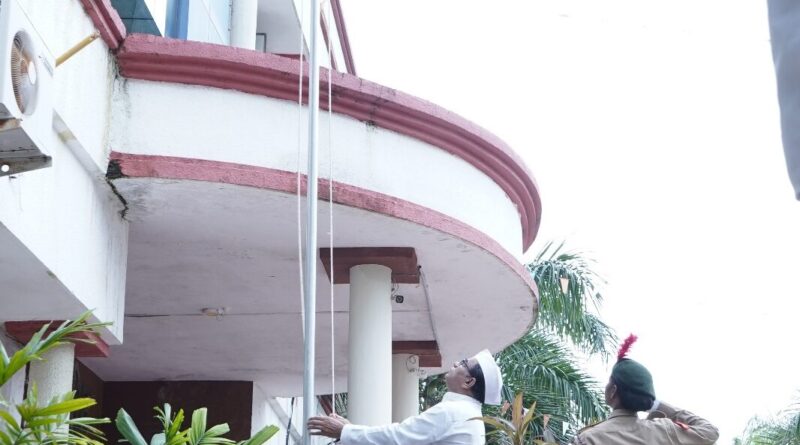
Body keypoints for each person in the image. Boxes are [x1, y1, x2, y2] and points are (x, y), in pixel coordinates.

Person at [307, 349, 503, 444]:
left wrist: (346, 431)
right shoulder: (466, 414)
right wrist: (350, 430)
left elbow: (398, 437)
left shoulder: (454, 412)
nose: (454, 363)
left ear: (469, 382)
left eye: (462, 363)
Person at [572, 335, 719, 445]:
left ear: (613, 391)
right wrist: (656, 405)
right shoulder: (664, 431)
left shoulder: (588, 438)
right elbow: (710, 432)